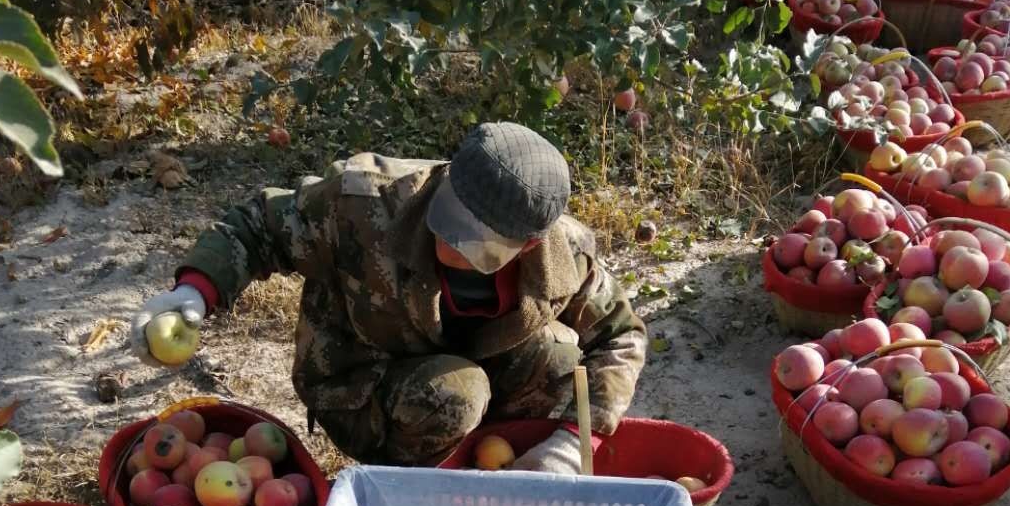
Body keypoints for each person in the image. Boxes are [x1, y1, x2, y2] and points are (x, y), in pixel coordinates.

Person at [130, 122, 646, 472]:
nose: (448, 245)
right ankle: (411, 485)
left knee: (560, 356)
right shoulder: (365, 204)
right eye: (449, 221)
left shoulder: (563, 256)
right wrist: (193, 293)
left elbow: (620, 335)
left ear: (528, 244)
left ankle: (489, 469)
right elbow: (257, 227)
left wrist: (575, 445)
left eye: (476, 243)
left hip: (476, 383)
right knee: (456, 393)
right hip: (366, 384)